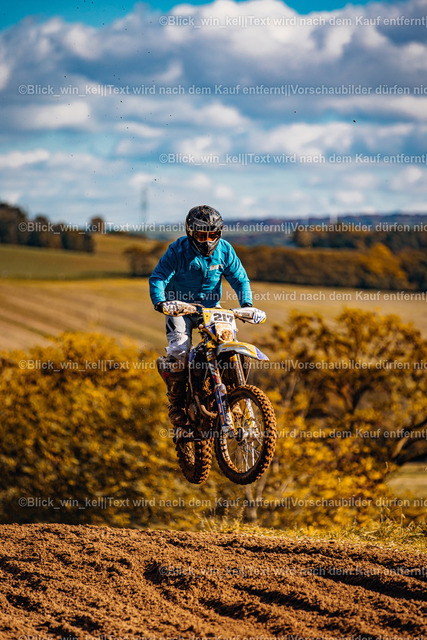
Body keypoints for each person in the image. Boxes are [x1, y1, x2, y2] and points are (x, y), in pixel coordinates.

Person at [149, 204, 254, 430]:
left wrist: (246, 304)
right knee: (179, 352)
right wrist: (160, 301)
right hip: (179, 306)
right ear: (190, 232)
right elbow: (159, 277)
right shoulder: (177, 250)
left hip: (211, 307)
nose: (207, 241)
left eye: (212, 235)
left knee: (233, 348)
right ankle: (176, 405)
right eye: (201, 235)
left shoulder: (225, 250)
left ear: (219, 233)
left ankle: (235, 399)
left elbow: (240, 279)